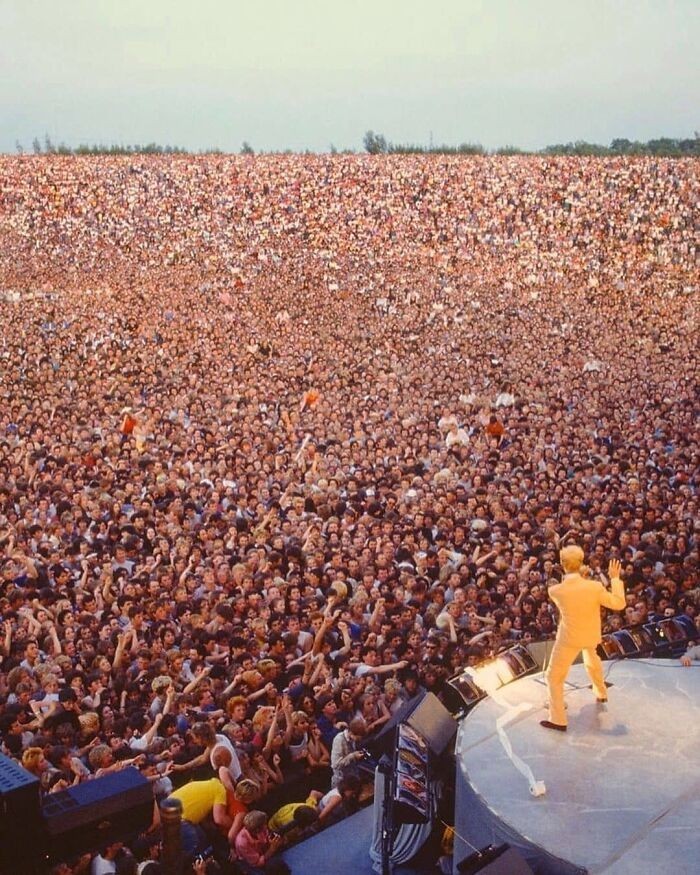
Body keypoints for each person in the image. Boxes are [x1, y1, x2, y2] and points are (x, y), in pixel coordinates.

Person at [541, 547, 625, 731]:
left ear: (562, 564)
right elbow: (619, 603)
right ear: (581, 563)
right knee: (591, 658)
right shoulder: (594, 587)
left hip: (569, 639)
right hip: (590, 635)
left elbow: (571, 590)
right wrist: (614, 578)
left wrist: (576, 575)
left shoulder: (555, 590)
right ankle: (601, 691)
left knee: (553, 677)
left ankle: (558, 719)